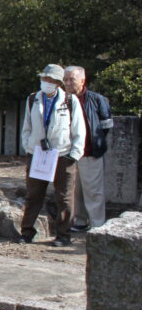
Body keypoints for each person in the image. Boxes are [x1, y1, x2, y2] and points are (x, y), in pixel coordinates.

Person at [19, 64, 86, 247]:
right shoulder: (33, 99)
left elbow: (78, 129)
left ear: (58, 83)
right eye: (44, 79)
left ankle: (63, 234)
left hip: (63, 154)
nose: (45, 82)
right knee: (33, 194)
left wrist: (74, 153)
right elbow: (27, 126)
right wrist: (28, 146)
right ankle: (27, 232)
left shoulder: (70, 101)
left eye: (50, 80)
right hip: (38, 153)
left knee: (64, 196)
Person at [64, 66, 113, 231]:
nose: (68, 83)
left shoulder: (97, 99)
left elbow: (106, 125)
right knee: (74, 190)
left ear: (82, 80)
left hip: (90, 152)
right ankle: (80, 221)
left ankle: (97, 226)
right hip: (68, 152)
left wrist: (94, 142)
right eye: (65, 80)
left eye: (71, 79)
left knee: (93, 190)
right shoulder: (62, 99)